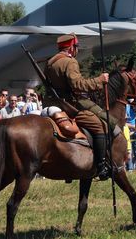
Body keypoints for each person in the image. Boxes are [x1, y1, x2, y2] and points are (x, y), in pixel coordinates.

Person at [45, 33, 111, 180]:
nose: (77, 50)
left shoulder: (50, 62)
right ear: (71, 47)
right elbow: (78, 85)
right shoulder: (70, 62)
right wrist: (100, 80)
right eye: (76, 47)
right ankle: (101, 166)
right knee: (100, 126)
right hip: (69, 105)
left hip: (51, 104)